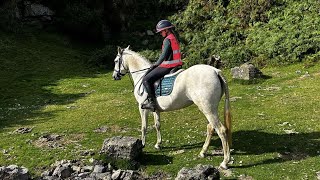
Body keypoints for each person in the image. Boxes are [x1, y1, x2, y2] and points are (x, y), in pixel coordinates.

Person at [141, 20, 183, 111]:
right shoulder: (174, 37)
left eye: (161, 31)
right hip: (176, 64)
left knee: (146, 79)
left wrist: (156, 64)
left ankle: (152, 103)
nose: (160, 33)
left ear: (166, 30)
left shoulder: (167, 40)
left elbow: (164, 55)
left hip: (168, 66)